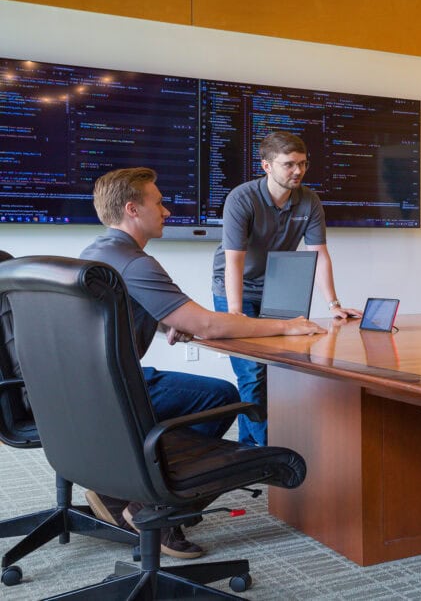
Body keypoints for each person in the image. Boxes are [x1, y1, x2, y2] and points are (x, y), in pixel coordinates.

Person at [80, 167, 325, 559]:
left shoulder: (97, 253)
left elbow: (114, 315)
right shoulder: (134, 262)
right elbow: (209, 324)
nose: (167, 211)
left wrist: (165, 323)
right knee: (221, 398)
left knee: (212, 393)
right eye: (158, 203)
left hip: (85, 390)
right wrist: (286, 326)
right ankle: (157, 507)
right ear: (132, 209)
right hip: (116, 391)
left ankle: (122, 489)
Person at [211, 131, 360, 447]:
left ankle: (250, 448)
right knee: (252, 372)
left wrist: (334, 303)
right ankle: (267, 449)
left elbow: (318, 253)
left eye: (303, 164)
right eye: (289, 164)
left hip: (277, 287)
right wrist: (236, 315)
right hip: (235, 288)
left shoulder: (309, 200)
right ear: (266, 166)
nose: (298, 171)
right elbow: (233, 262)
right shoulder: (242, 198)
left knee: (282, 367)